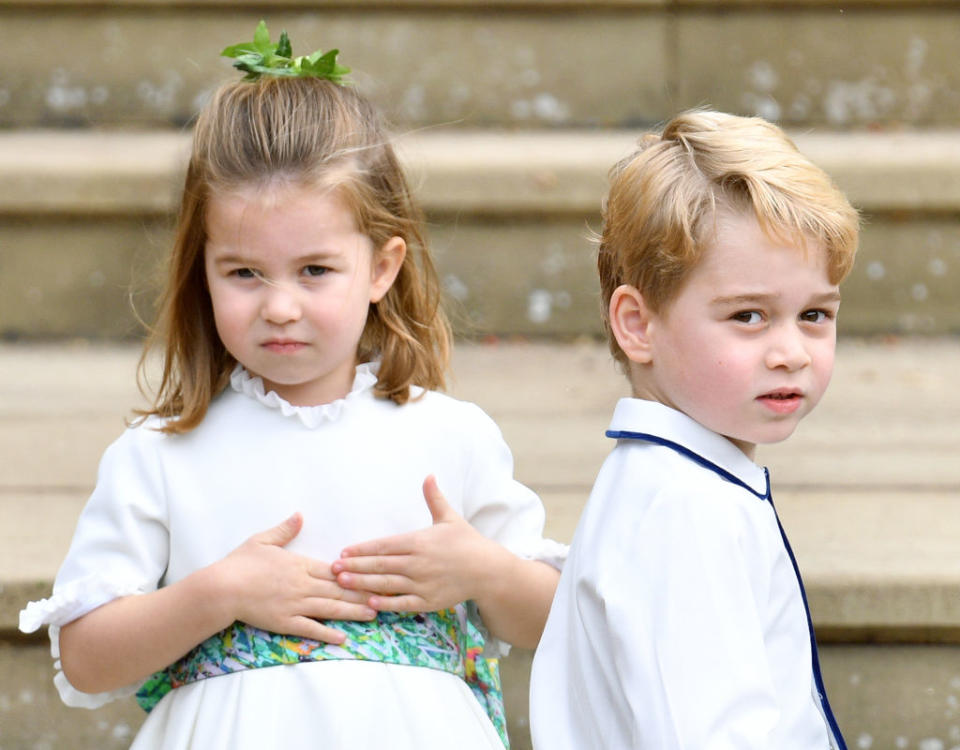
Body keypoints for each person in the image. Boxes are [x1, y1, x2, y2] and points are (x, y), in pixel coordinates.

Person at [20, 23, 563, 750]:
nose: (279, 305)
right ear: (201, 269)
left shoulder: (449, 435)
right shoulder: (162, 454)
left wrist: (481, 571)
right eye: (244, 273)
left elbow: (562, 624)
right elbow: (86, 660)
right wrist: (220, 593)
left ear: (381, 267)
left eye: (314, 270)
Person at [529, 110, 859, 749]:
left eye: (814, 314)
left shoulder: (679, 485)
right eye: (749, 316)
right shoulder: (682, 510)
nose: (791, 350)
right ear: (638, 324)